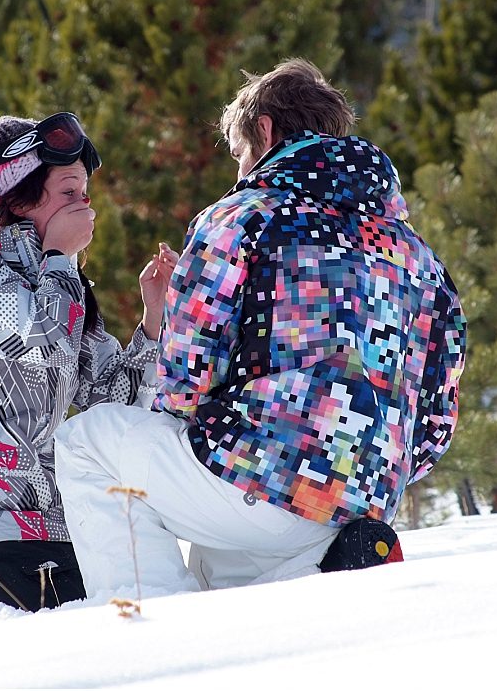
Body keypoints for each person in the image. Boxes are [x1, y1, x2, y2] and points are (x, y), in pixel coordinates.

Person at [55, 59, 466, 597]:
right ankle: (313, 569)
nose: (239, 170)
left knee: (88, 441)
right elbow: (436, 418)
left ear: (266, 130)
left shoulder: (244, 216)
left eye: (240, 152)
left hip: (263, 479)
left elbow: (184, 380)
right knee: (227, 574)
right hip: (367, 501)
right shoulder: (418, 255)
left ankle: (150, 635)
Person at [0, 107, 176, 611]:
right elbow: (42, 343)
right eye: (68, 193)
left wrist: (153, 322)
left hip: (56, 526)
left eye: (84, 193)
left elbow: (112, 397)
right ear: (19, 196)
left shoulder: (53, 275)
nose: (83, 207)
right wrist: (62, 259)